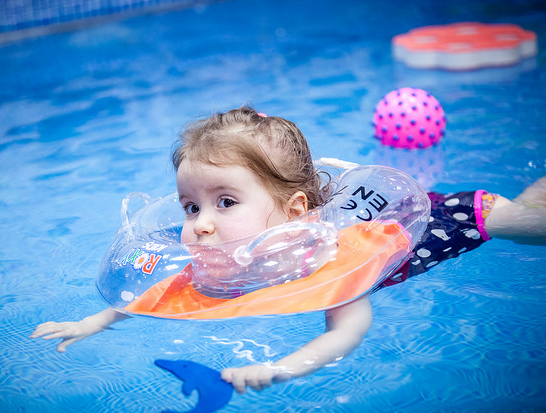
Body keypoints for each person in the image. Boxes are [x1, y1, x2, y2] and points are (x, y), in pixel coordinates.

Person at [31, 106, 546, 394]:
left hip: (439, 221)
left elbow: (351, 329)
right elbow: (161, 294)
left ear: (297, 210)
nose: (201, 225)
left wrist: (284, 366)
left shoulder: (322, 257)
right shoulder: (213, 257)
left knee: (526, 221)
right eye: (190, 207)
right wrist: (94, 322)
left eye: (225, 202)